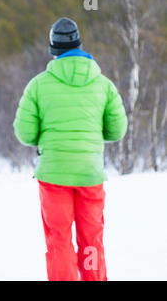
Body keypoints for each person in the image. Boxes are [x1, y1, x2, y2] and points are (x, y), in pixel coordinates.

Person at [13, 17, 128, 281]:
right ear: (80, 44)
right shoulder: (104, 84)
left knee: (59, 241)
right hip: (90, 174)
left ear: (53, 49)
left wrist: (47, 137)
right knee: (91, 240)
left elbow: (24, 132)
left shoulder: (38, 85)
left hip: (54, 175)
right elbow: (117, 130)